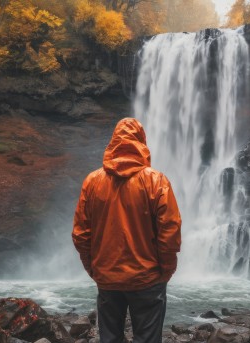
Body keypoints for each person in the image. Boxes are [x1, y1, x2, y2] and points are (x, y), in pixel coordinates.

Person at [72, 117, 182, 343]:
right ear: (141, 142)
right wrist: (166, 271)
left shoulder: (92, 181)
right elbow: (169, 231)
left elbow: (81, 233)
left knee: (109, 338)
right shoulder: (156, 181)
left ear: (113, 143)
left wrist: (93, 268)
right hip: (147, 278)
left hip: (107, 277)